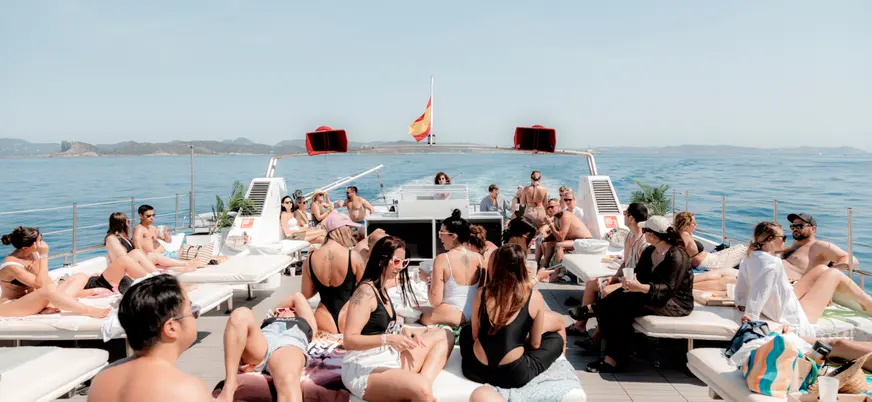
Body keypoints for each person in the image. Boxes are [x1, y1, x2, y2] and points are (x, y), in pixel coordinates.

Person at [342, 236, 454, 402]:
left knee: (446, 335)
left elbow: (379, 326)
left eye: (404, 262)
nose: (400, 267)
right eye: (396, 262)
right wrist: (389, 339)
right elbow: (349, 341)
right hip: (365, 365)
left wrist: (401, 330)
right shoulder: (365, 293)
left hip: (387, 356)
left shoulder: (381, 287)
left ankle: (422, 383)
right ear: (381, 260)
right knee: (421, 391)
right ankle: (420, 388)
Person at [586, 216, 694, 373]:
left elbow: (668, 289)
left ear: (654, 235)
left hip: (675, 303)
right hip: (652, 296)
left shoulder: (677, 256)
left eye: (645, 230)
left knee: (621, 308)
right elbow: (640, 275)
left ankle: (596, 314)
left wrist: (639, 287)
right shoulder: (651, 251)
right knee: (621, 303)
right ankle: (613, 357)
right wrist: (628, 281)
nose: (643, 233)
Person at [88, 275, 211, 402]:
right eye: (192, 310)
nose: (195, 314)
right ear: (171, 328)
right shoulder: (186, 390)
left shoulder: (102, 379)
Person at [460, 244, 566, 390]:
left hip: (476, 370)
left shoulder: (482, 293)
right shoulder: (534, 297)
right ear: (522, 267)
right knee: (555, 339)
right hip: (512, 375)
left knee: (465, 331)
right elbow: (535, 344)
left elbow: (474, 335)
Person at [736, 222, 872, 335]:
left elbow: (742, 284)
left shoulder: (750, 256)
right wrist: (751, 318)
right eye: (783, 237)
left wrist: (740, 303)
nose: (785, 240)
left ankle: (866, 303)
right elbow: (761, 291)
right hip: (792, 316)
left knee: (822, 269)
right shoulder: (773, 263)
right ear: (771, 239)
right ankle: (868, 304)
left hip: (781, 303)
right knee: (834, 274)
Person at [566, 203, 649, 337]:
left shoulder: (644, 244)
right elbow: (625, 263)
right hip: (625, 278)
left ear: (632, 218)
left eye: (626, 214)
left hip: (635, 283)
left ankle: (599, 337)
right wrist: (613, 277)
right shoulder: (630, 237)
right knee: (591, 284)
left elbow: (641, 273)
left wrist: (617, 281)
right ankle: (579, 327)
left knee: (605, 290)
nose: (624, 216)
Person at [215, 292, 317, 402]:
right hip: (263, 343)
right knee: (240, 313)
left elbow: (296, 297)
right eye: (281, 310)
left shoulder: (307, 322)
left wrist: (279, 310)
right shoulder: (267, 321)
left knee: (287, 379)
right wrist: (272, 313)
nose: (286, 309)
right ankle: (230, 384)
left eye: (292, 309)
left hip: (288, 344)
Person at [0, 227, 111, 318]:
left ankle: (51, 305)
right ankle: (88, 310)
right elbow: (40, 285)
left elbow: (47, 281)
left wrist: (55, 291)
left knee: (80, 276)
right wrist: (44, 256)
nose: (42, 243)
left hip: (35, 299)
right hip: (13, 305)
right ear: (24, 248)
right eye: (38, 241)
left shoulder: (33, 253)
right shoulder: (11, 265)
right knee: (47, 290)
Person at [301, 213, 365, 333]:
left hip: (323, 317)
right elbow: (366, 290)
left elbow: (306, 294)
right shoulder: (353, 256)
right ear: (342, 230)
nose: (352, 232)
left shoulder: (310, 259)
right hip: (349, 315)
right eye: (350, 228)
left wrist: (319, 283)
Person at [419, 209, 484, 326]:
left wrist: (428, 280)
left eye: (441, 233)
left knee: (416, 313)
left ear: (453, 236)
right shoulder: (479, 258)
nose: (439, 237)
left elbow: (435, 301)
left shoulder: (442, 259)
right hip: (475, 316)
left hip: (452, 315)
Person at [95, 212, 164, 294]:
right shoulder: (111, 238)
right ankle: (155, 276)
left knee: (150, 255)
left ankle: (156, 275)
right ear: (122, 224)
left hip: (129, 266)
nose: (129, 224)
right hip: (121, 269)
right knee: (137, 252)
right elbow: (122, 257)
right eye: (128, 222)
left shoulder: (123, 238)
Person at [782, 213, 862, 281]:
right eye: (793, 226)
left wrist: (830, 273)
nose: (795, 229)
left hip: (793, 288)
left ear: (813, 229)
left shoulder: (819, 246)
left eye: (800, 226)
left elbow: (852, 259)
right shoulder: (796, 244)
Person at [536, 198, 593, 280]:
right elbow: (554, 235)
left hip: (585, 241)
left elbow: (560, 238)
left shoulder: (565, 216)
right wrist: (542, 239)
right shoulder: (556, 217)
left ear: (558, 206)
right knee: (549, 243)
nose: (550, 209)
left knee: (559, 245)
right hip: (574, 241)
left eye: (552, 207)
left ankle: (555, 275)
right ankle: (545, 268)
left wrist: (550, 225)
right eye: (548, 208)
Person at [133, 205, 196, 270]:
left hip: (165, 254)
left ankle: (193, 261)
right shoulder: (139, 229)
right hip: (155, 257)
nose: (152, 218)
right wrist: (144, 261)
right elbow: (137, 247)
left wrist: (165, 233)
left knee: (185, 250)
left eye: (153, 215)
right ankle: (187, 264)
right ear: (140, 216)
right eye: (148, 216)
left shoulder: (153, 228)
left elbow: (168, 241)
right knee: (160, 258)